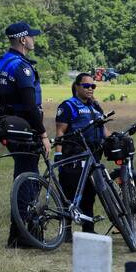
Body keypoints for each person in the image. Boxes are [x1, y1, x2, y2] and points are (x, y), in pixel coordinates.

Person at [0, 21, 53, 248]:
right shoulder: (22, 67)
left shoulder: (3, 62)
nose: (33, 40)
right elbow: (29, 106)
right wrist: (44, 134)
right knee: (28, 180)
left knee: (23, 177)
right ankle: (22, 236)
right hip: (24, 128)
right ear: (22, 39)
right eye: (31, 36)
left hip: (9, 125)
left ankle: (20, 234)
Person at [55, 73, 109, 234]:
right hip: (74, 156)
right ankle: (65, 232)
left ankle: (88, 230)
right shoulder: (68, 106)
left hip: (94, 155)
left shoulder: (96, 106)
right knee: (69, 194)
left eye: (93, 86)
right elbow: (60, 131)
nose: (90, 89)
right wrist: (59, 155)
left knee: (90, 194)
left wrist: (114, 138)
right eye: (86, 86)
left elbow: (103, 129)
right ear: (77, 87)